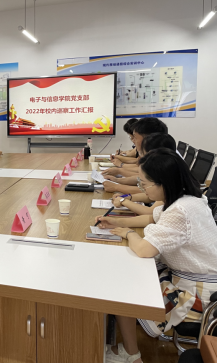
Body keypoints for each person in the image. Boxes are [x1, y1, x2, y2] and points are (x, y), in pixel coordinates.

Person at [94, 149, 217, 364]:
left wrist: (128, 234)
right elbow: (152, 218)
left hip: (196, 296)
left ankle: (132, 355)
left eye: (144, 184)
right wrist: (116, 222)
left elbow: (144, 249)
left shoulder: (181, 210)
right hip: (189, 279)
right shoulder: (185, 199)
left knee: (122, 285)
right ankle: (127, 347)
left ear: (163, 183)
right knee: (127, 271)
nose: (142, 189)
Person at [109, 133, 177, 216]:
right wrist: (128, 197)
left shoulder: (169, 176)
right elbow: (148, 196)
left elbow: (150, 212)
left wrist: (123, 200)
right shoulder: (167, 167)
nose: (133, 140)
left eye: (135, 137)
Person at [102, 118, 168, 193]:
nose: (133, 141)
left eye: (135, 137)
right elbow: (141, 178)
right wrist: (117, 179)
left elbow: (152, 191)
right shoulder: (152, 154)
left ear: (148, 139)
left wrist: (117, 187)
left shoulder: (164, 160)